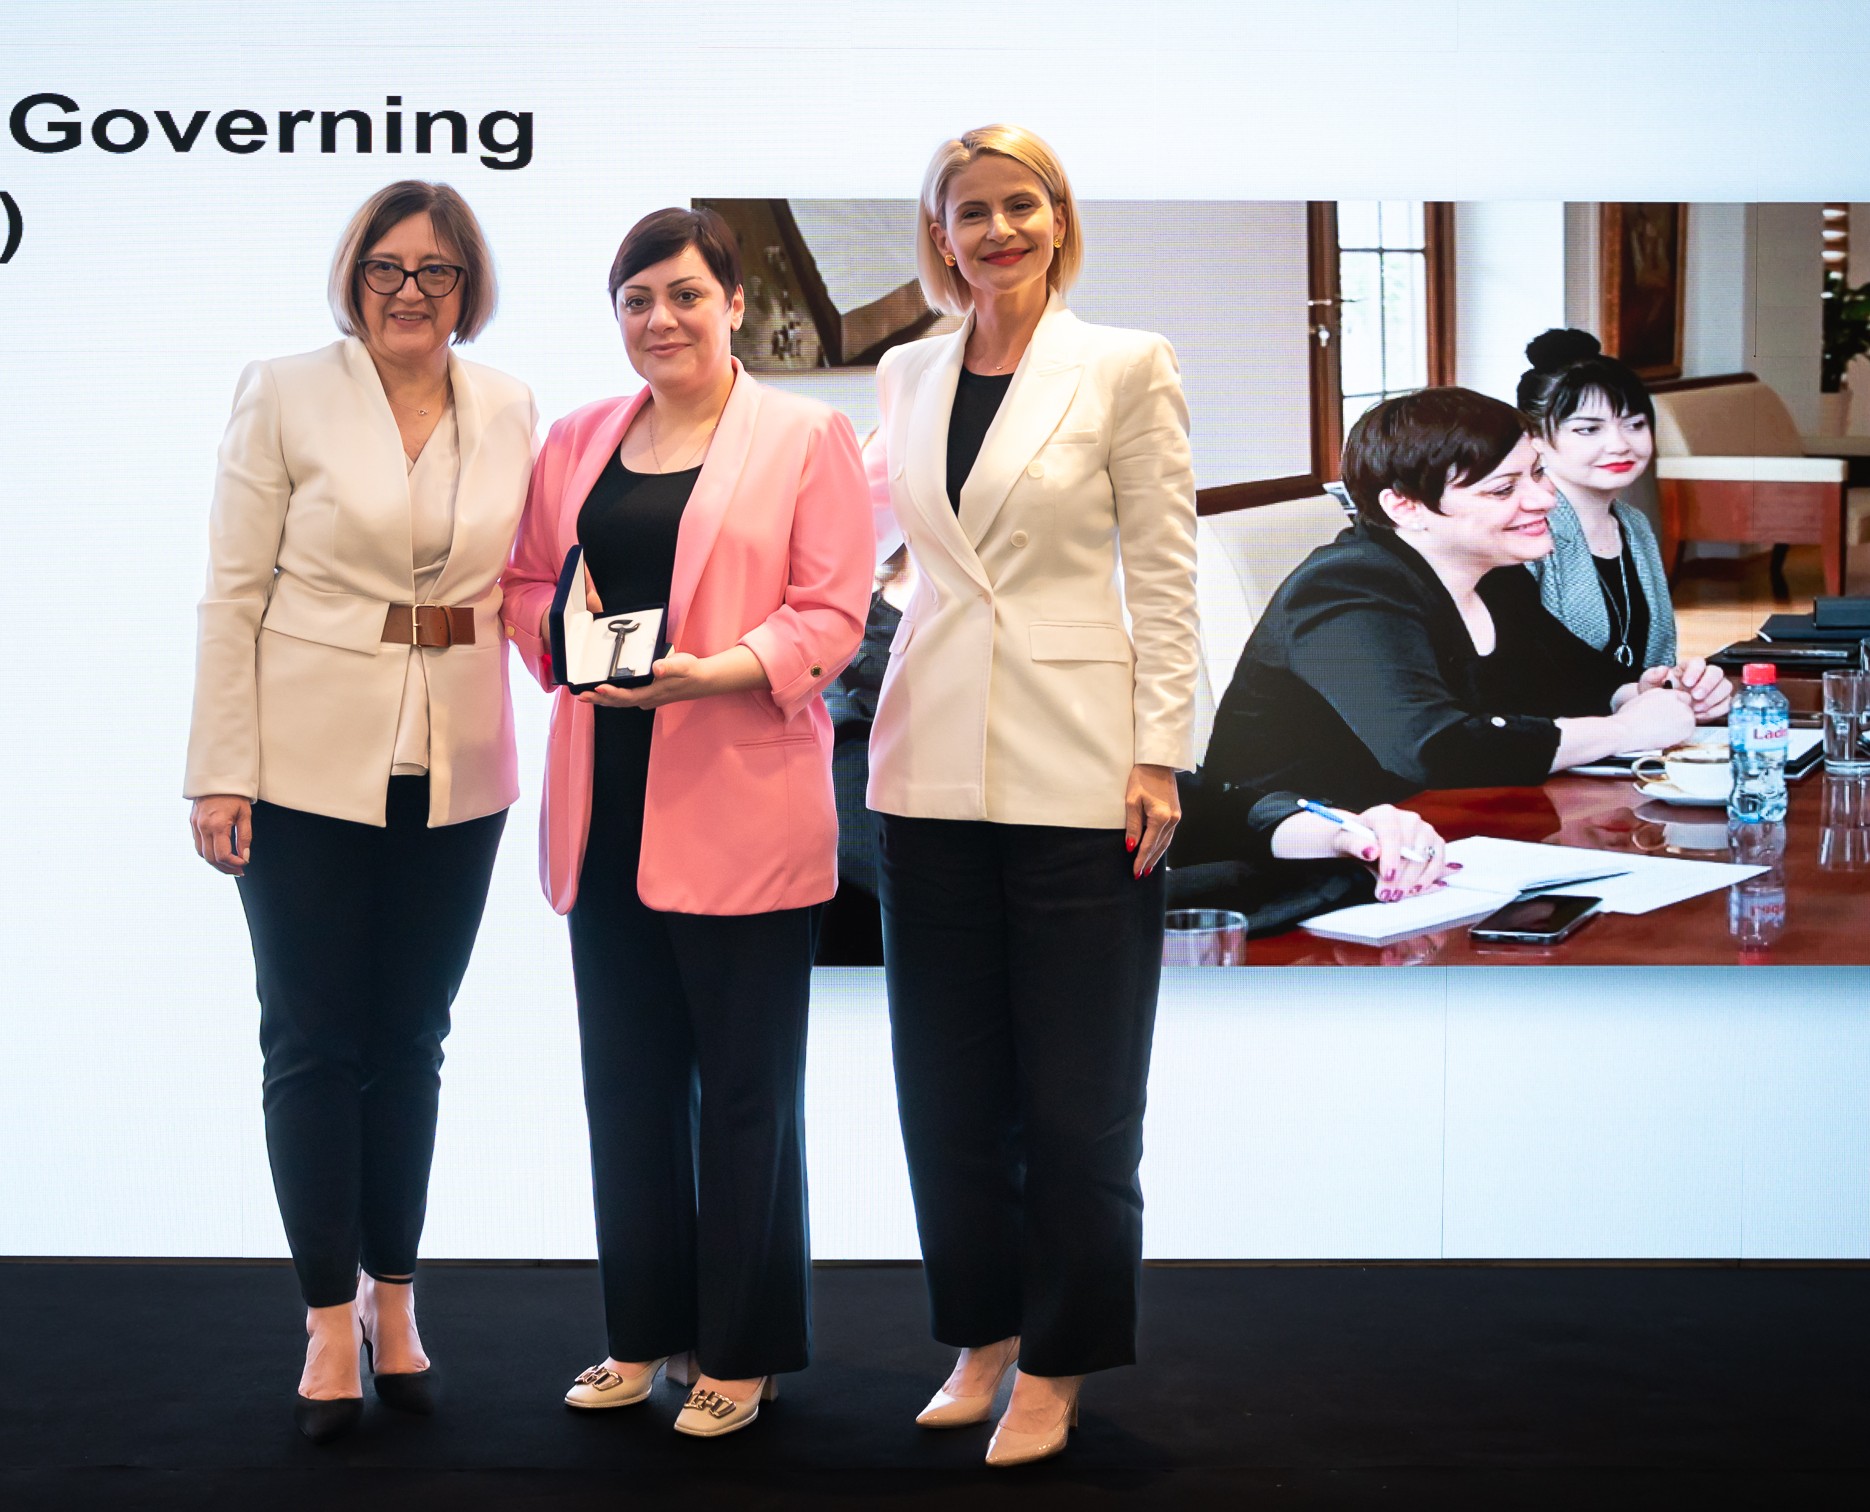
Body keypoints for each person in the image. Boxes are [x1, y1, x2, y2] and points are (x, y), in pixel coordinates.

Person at [500, 207, 872, 1439]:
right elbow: (524, 585)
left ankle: (742, 1352)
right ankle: (640, 1336)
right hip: (602, 804)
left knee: (747, 1095)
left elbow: (832, 612)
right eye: (636, 300)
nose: (659, 319)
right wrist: (561, 634)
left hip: (740, 799)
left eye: (684, 295)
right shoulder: (576, 438)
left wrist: (719, 671)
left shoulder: (806, 435)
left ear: (733, 303)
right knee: (628, 1089)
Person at [183, 181, 537, 1442]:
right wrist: (217, 768)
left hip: (461, 766)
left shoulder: (510, 405)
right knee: (311, 1043)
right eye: (386, 268)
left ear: (466, 286)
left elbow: (529, 580)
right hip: (302, 764)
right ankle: (329, 1317)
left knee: (413, 1040)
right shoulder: (284, 391)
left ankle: (397, 1296)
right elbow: (231, 591)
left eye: (436, 271)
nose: (409, 292)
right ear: (354, 278)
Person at [866, 123, 1197, 1468]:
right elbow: (890, 551)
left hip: (1081, 763)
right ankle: (982, 1333)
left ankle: (1058, 1361)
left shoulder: (1124, 363)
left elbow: (1163, 572)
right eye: (970, 212)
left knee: (1076, 1102)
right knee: (947, 1092)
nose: (996, 231)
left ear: (1056, 219)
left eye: (1020, 205)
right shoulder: (905, 370)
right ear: (938, 235)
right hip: (925, 759)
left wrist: (1159, 751)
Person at [1199, 387, 1729, 824]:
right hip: (1305, 863)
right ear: (1405, 507)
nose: (1544, 499)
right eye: (1503, 490)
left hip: (1446, 830)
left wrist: (1650, 693)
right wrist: (1626, 731)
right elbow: (1435, 750)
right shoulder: (1345, 590)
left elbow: (1577, 678)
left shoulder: (1492, 570)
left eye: (1537, 473)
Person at [1518, 328, 1677, 668]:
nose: (1619, 445)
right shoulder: (1524, 530)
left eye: (1635, 424)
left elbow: (1659, 656)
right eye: (1589, 429)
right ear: (1535, 437)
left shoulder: (1634, 524)